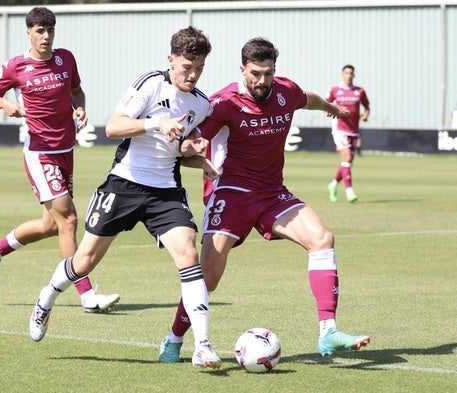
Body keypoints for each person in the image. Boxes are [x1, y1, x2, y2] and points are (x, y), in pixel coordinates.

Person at [158, 37, 370, 364]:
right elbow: (192, 142)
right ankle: (174, 340)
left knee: (322, 239)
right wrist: (195, 150)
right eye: (255, 73)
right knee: (208, 278)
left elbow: (307, 99)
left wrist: (330, 108)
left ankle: (328, 331)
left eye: (268, 73)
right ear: (242, 69)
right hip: (231, 194)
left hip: (272, 193)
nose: (261, 80)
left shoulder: (285, 91)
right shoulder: (225, 103)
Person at [29, 26, 222, 369]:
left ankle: (203, 344)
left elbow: (182, 150)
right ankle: (47, 297)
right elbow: (113, 127)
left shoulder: (202, 105)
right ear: (171, 60)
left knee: (189, 252)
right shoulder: (151, 83)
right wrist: (155, 124)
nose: (192, 75)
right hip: (124, 184)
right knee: (84, 261)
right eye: (186, 67)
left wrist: (198, 157)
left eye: (199, 69)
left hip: (165, 190)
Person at [0, 7, 119, 313]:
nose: (45, 36)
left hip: (65, 151)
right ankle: (87, 296)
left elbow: (77, 91)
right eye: (40, 31)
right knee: (68, 219)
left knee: (50, 225)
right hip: (39, 152)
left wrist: (80, 108)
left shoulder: (66, 59)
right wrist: (5, 103)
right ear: (29, 32)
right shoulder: (16, 66)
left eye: (50, 31)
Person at [325, 64, 370, 203]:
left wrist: (365, 115)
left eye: (351, 73)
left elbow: (367, 107)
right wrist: (328, 110)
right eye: (346, 72)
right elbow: (325, 104)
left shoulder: (359, 91)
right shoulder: (335, 90)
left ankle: (332, 185)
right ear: (342, 74)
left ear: (354, 75)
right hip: (339, 129)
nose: (349, 75)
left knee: (347, 162)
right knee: (347, 157)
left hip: (354, 130)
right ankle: (349, 191)